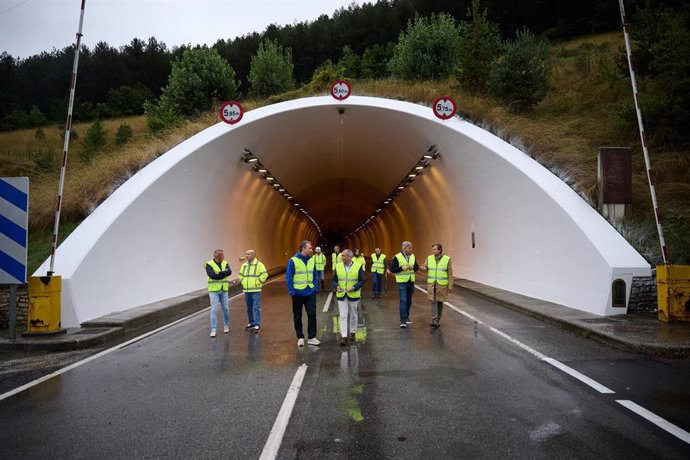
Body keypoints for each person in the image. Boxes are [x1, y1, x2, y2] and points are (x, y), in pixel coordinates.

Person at [286, 240, 320, 347]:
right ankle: (300, 337)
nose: (311, 250)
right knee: (297, 315)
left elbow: (315, 275)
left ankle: (311, 337)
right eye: (309, 248)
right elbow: (289, 277)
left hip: (310, 291)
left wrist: (315, 288)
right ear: (303, 249)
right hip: (297, 292)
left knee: (312, 314)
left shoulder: (312, 260)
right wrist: (292, 291)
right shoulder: (293, 261)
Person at [333, 249, 364, 346]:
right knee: (343, 315)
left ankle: (353, 333)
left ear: (349, 257)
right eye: (341, 255)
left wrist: (354, 288)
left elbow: (361, 281)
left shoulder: (358, 266)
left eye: (343, 256)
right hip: (342, 295)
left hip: (353, 295)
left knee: (354, 315)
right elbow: (334, 280)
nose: (341, 257)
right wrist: (336, 286)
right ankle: (344, 336)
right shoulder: (338, 266)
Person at [419, 243, 454, 327]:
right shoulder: (429, 258)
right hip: (432, 284)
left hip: (441, 285)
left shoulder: (447, 259)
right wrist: (423, 268)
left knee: (440, 302)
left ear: (439, 250)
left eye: (435, 249)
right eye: (433, 249)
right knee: (433, 301)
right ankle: (435, 320)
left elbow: (450, 273)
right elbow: (425, 268)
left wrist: (450, 285)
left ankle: (438, 319)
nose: (433, 251)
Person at [389, 241, 418, 328]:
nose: (411, 249)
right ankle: (403, 319)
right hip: (402, 282)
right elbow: (392, 269)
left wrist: (413, 267)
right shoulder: (397, 257)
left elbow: (417, 267)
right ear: (404, 248)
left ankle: (407, 315)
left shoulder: (413, 256)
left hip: (411, 281)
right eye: (410, 248)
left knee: (409, 300)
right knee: (403, 300)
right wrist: (401, 268)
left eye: (411, 248)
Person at [239, 249, 268, 333]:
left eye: (248, 254)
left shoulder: (259, 265)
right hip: (247, 290)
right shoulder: (244, 265)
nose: (246, 255)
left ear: (253, 255)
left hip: (255, 290)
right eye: (246, 254)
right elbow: (240, 275)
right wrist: (243, 282)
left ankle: (257, 324)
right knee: (249, 307)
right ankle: (251, 322)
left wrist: (257, 282)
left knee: (256, 307)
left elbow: (264, 274)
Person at [205, 249, 232, 337]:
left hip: (224, 290)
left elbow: (229, 272)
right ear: (217, 256)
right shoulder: (209, 264)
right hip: (214, 291)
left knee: (226, 309)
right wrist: (223, 274)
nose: (223, 257)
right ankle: (213, 329)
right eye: (222, 255)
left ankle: (226, 325)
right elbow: (212, 275)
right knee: (214, 310)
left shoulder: (225, 263)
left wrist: (219, 273)